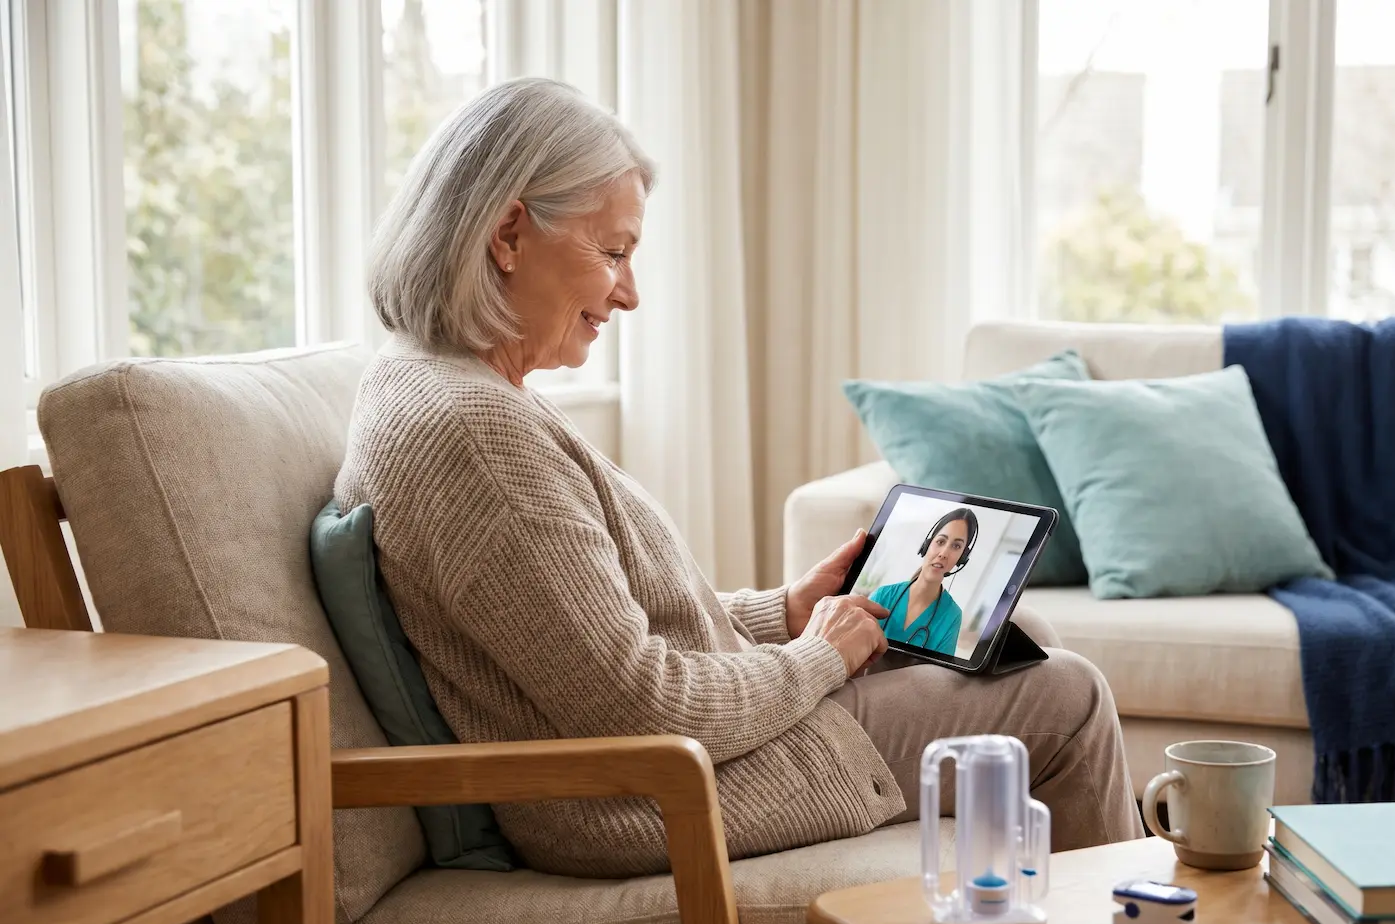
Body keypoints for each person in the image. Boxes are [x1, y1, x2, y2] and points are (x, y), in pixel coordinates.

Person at [337, 78, 1144, 879]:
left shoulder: (450, 387)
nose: (630, 293)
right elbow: (641, 705)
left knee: (1018, 636)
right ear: (508, 234)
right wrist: (820, 656)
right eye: (612, 252)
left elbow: (591, 632)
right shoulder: (477, 433)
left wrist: (785, 612)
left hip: (679, 763)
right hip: (656, 795)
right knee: (1064, 697)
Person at [868, 508, 975, 656]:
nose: (943, 553)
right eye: (941, 541)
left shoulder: (952, 616)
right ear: (927, 545)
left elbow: (940, 674)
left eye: (956, 546)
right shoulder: (883, 596)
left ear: (962, 558)